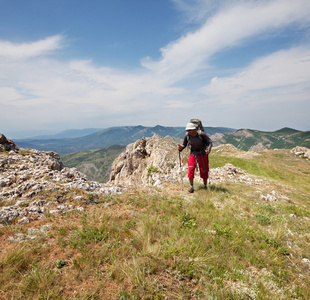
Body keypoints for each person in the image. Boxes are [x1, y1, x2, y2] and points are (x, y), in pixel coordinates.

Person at [177, 122, 212, 193]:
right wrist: (181, 148)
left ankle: (205, 185)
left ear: (194, 129)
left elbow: (210, 142)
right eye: (187, 130)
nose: (188, 131)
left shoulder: (201, 134)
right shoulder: (187, 135)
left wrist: (208, 149)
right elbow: (184, 144)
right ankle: (191, 187)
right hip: (193, 153)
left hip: (202, 154)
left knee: (204, 170)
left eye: (190, 130)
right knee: (190, 170)